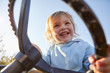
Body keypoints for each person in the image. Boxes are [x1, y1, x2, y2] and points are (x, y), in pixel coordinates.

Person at [33, 11, 110, 73]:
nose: (63, 27)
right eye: (56, 25)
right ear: (50, 33)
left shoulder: (83, 45)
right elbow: (42, 64)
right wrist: (36, 52)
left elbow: (92, 63)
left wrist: (100, 65)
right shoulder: (51, 50)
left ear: (73, 27)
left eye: (67, 23)